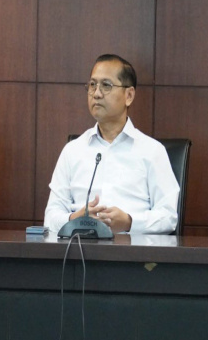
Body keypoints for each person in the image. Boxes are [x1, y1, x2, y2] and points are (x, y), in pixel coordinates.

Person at [44, 54, 180, 235]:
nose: (96, 93)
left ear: (129, 95)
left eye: (106, 85)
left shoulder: (152, 151)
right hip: (79, 248)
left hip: (132, 250)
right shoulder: (73, 151)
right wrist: (75, 219)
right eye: (92, 85)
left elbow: (168, 217)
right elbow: (50, 217)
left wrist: (129, 222)